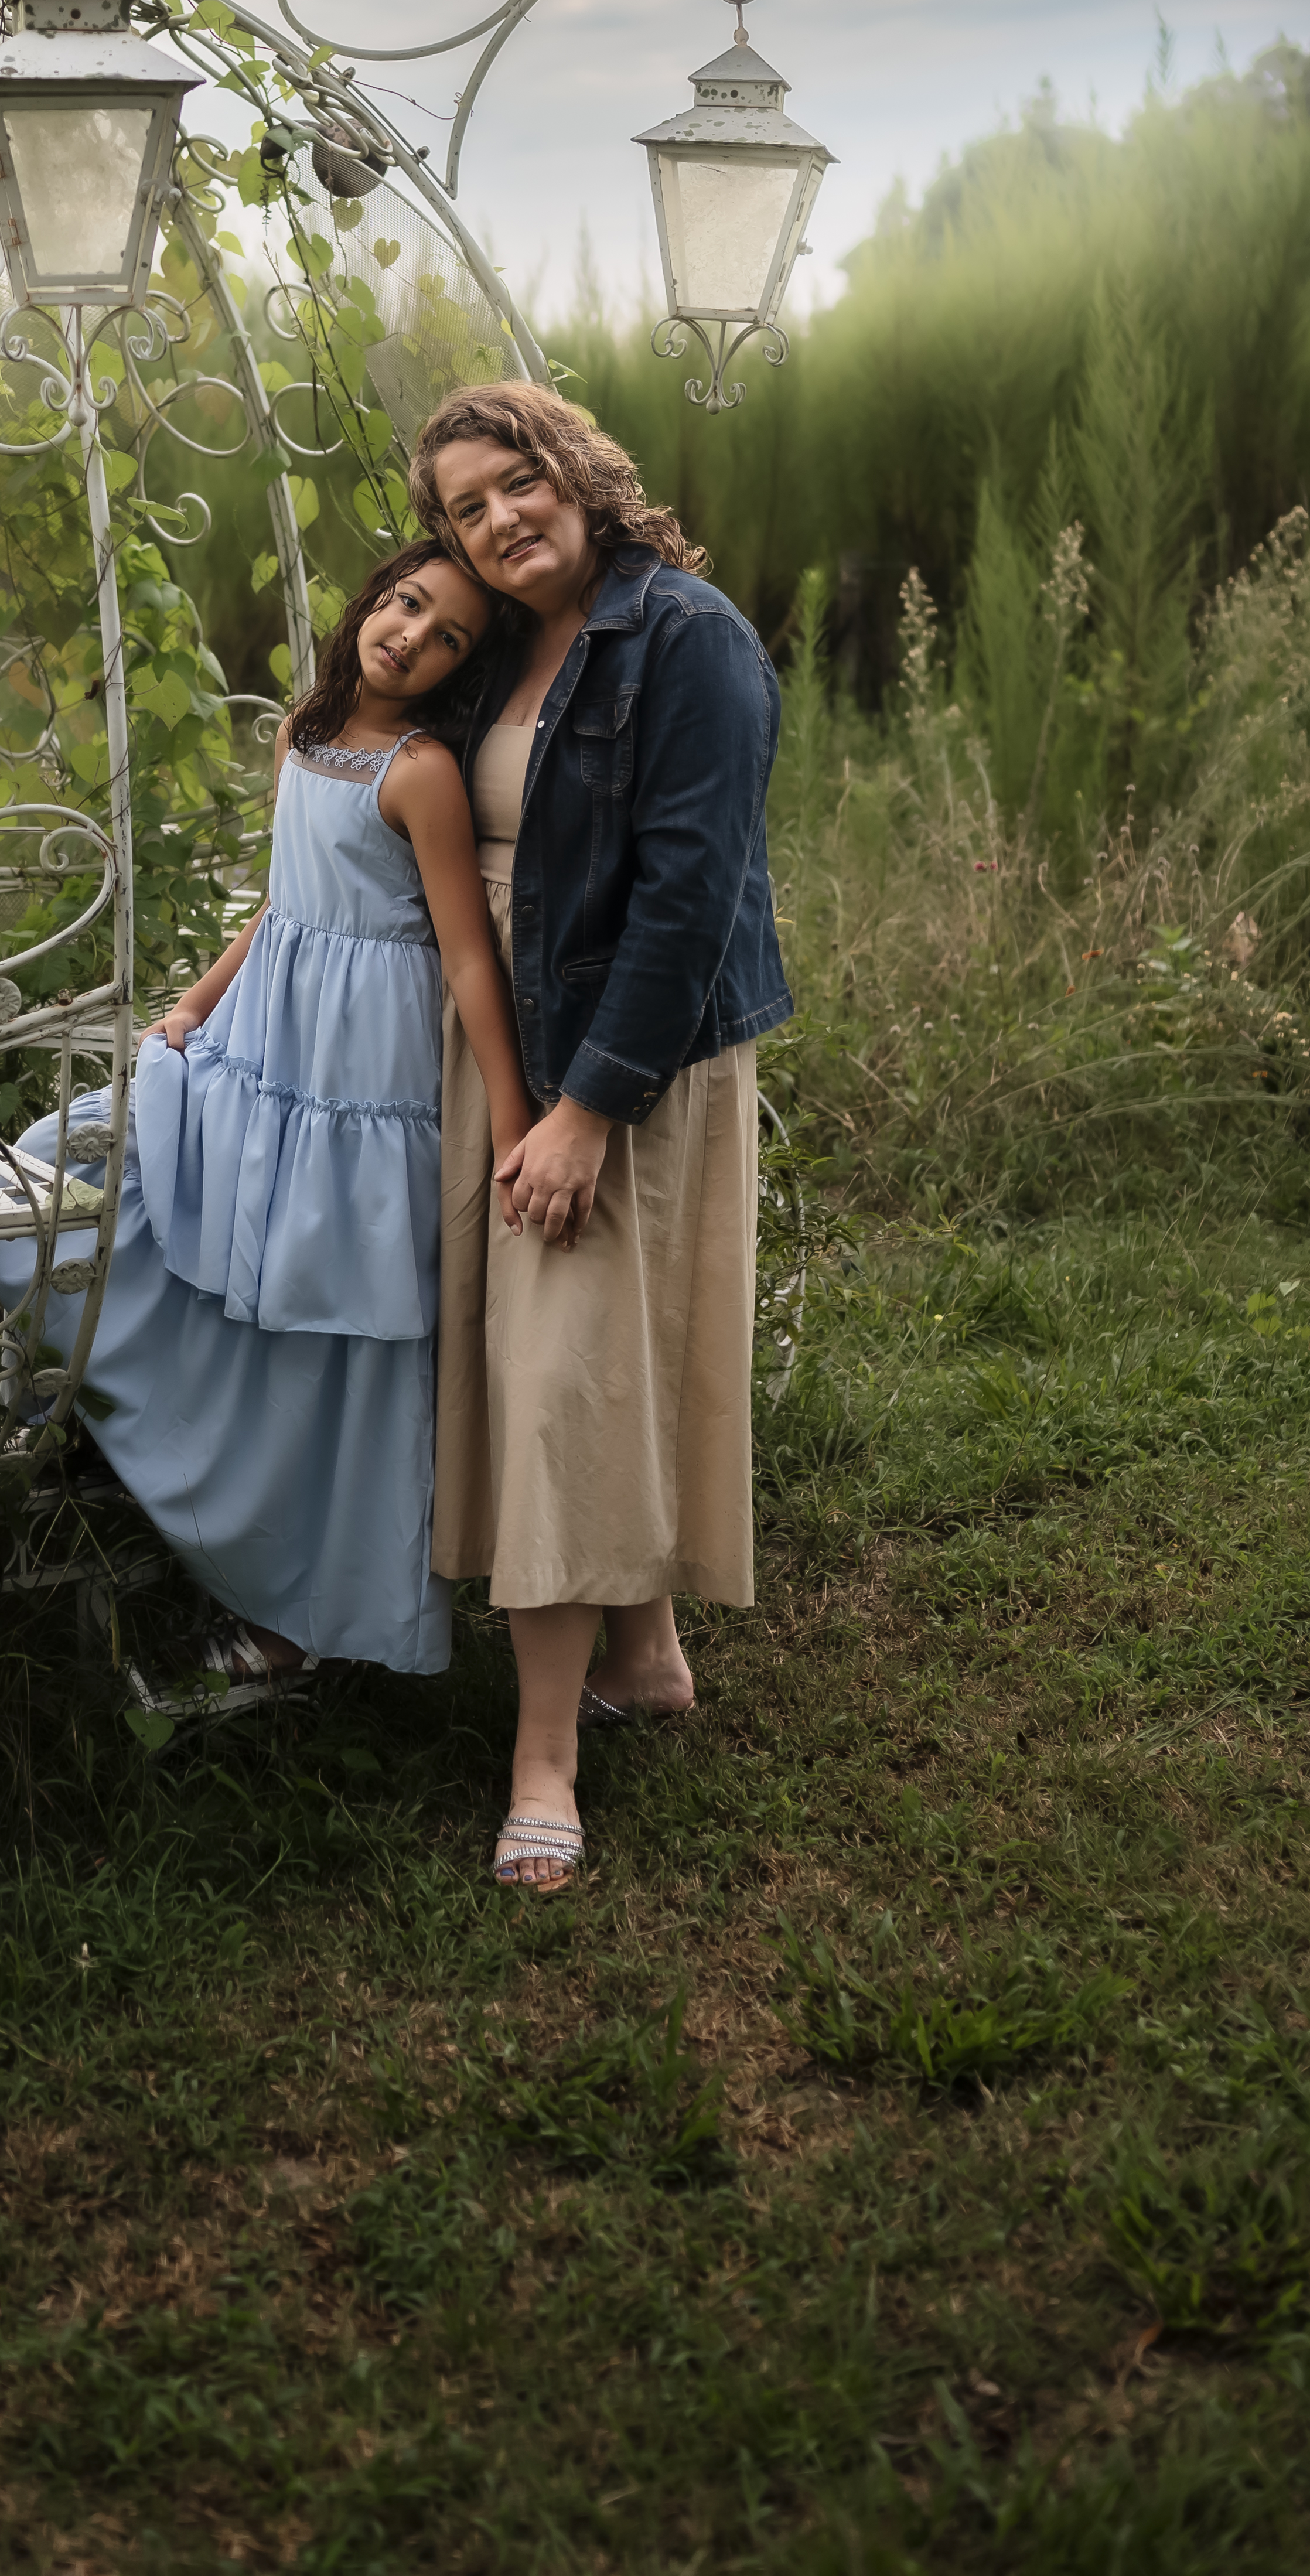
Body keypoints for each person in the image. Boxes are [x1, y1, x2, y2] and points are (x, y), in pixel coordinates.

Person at [0, 541, 532, 1694]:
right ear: (376, 595)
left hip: (360, 1082)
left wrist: (516, 1121)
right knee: (57, 1170)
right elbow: (284, 904)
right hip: (259, 1050)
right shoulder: (304, 731)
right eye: (409, 605)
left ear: (459, 672)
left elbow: (469, 961)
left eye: (449, 641)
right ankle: (143, 1449)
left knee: (329, 1334)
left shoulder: (422, 772)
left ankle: (314, 1610)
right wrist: (192, 1003)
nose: (412, 638)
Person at [408, 379, 792, 1891]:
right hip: (500, 1040)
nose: (499, 518)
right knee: (555, 1363)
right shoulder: (497, 639)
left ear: (577, 471)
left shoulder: (685, 635)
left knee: (564, 1379)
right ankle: (645, 1654)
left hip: (611, 1052)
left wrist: (586, 1106)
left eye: (516, 482)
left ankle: (544, 1761)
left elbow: (693, 892)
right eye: (464, 506)